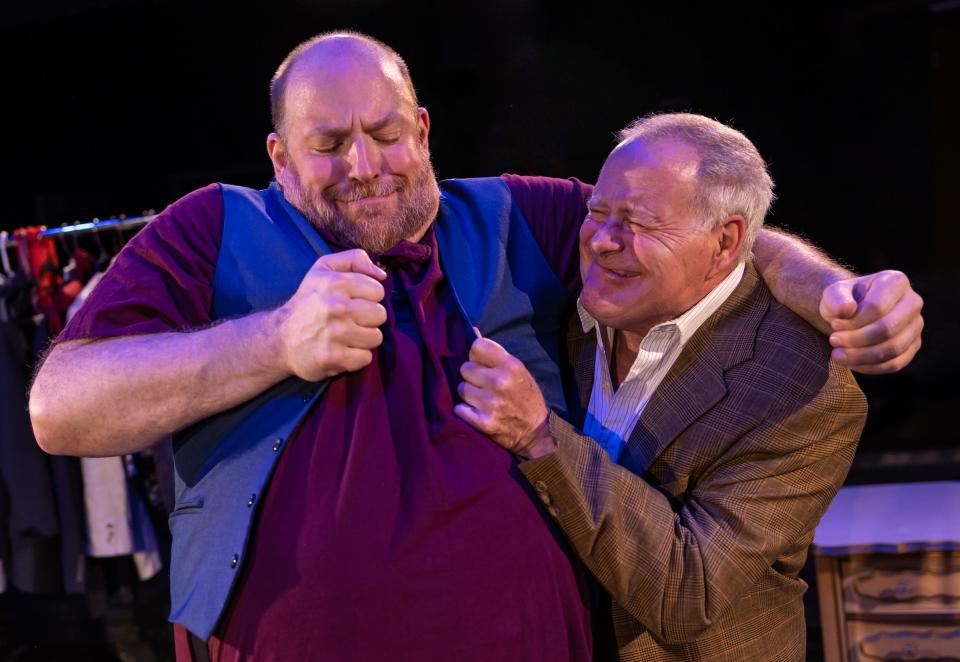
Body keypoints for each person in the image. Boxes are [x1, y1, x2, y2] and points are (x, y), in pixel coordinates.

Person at [29, 32, 920, 660]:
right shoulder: (212, 229)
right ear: (279, 157)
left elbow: (711, 233)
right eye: (329, 144)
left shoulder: (513, 214)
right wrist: (272, 342)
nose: (365, 164)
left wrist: (837, 291)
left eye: (385, 133)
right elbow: (58, 409)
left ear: (421, 131)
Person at [455, 113, 870, 661]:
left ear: (724, 243)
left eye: (640, 223)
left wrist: (539, 435)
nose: (602, 241)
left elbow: (687, 595)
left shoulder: (804, 393)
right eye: (596, 213)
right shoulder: (575, 299)